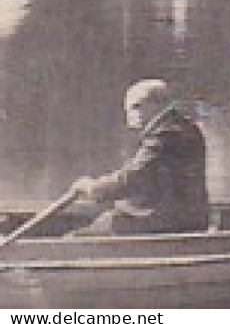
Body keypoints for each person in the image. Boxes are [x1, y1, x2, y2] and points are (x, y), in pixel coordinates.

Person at [71, 79, 209, 235]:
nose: (129, 116)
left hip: (166, 221)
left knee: (76, 237)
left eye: (132, 108)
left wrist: (93, 188)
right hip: (185, 217)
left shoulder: (166, 134)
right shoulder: (183, 126)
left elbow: (133, 178)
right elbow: (142, 176)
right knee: (103, 214)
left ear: (151, 105)